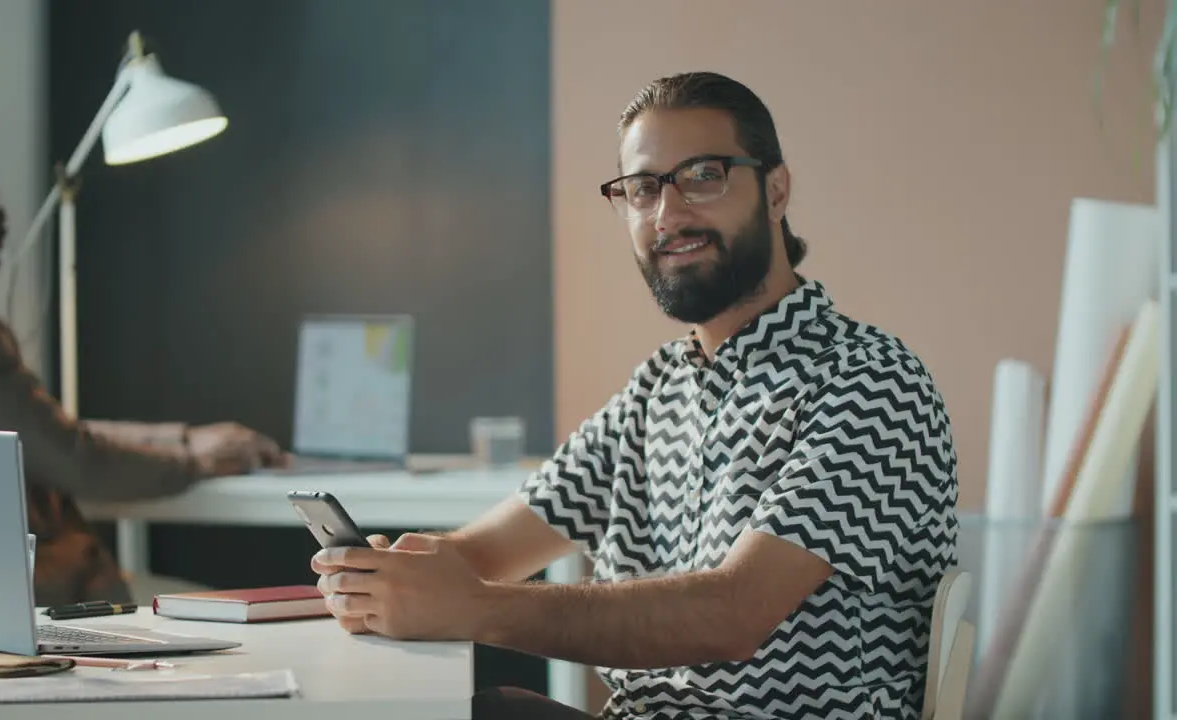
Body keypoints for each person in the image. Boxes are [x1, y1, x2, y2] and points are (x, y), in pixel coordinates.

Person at [312, 72, 960, 720]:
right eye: (643, 189)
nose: (667, 216)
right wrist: (397, 575)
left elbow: (733, 615)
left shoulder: (871, 383)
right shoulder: (658, 388)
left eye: (703, 175)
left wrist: (473, 607)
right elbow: (487, 552)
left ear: (776, 189)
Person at [0, 124, 286, 607]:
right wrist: (198, 460)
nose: (0, 215)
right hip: (22, 606)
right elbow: (71, 458)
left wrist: (183, 437)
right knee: (223, 610)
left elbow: (46, 434)